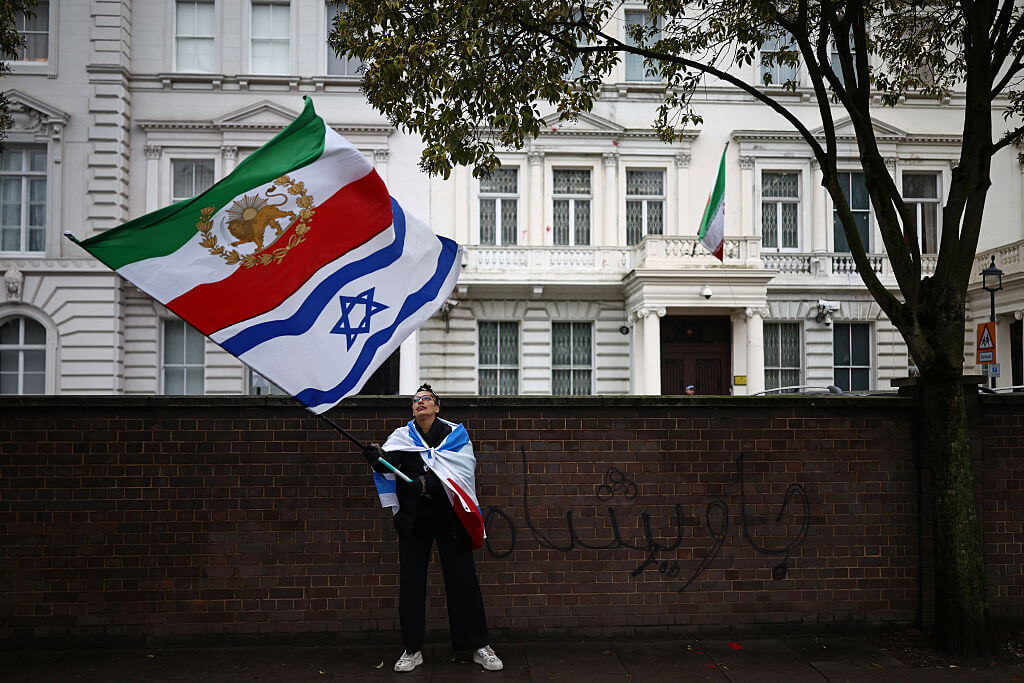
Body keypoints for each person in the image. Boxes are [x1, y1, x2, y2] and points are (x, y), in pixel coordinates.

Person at [362, 382, 502, 673]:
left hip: (451, 520)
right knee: (412, 585)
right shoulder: (402, 437)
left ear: (437, 407)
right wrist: (377, 457)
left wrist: (429, 483)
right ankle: (412, 650)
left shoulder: (455, 436)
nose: (419, 402)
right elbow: (390, 463)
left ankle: (479, 645)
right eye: (415, 400)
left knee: (464, 581)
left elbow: (461, 472)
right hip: (414, 522)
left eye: (425, 399)